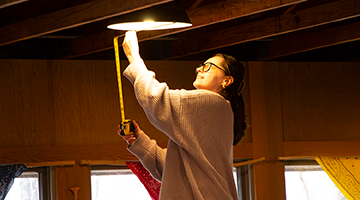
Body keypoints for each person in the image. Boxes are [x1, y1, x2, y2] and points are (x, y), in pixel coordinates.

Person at [118, 31, 247, 200]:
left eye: (208, 67)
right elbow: (169, 169)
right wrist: (139, 140)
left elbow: (155, 98)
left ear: (227, 81)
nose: (199, 69)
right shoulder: (217, 112)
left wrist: (134, 58)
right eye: (201, 65)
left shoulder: (211, 102)